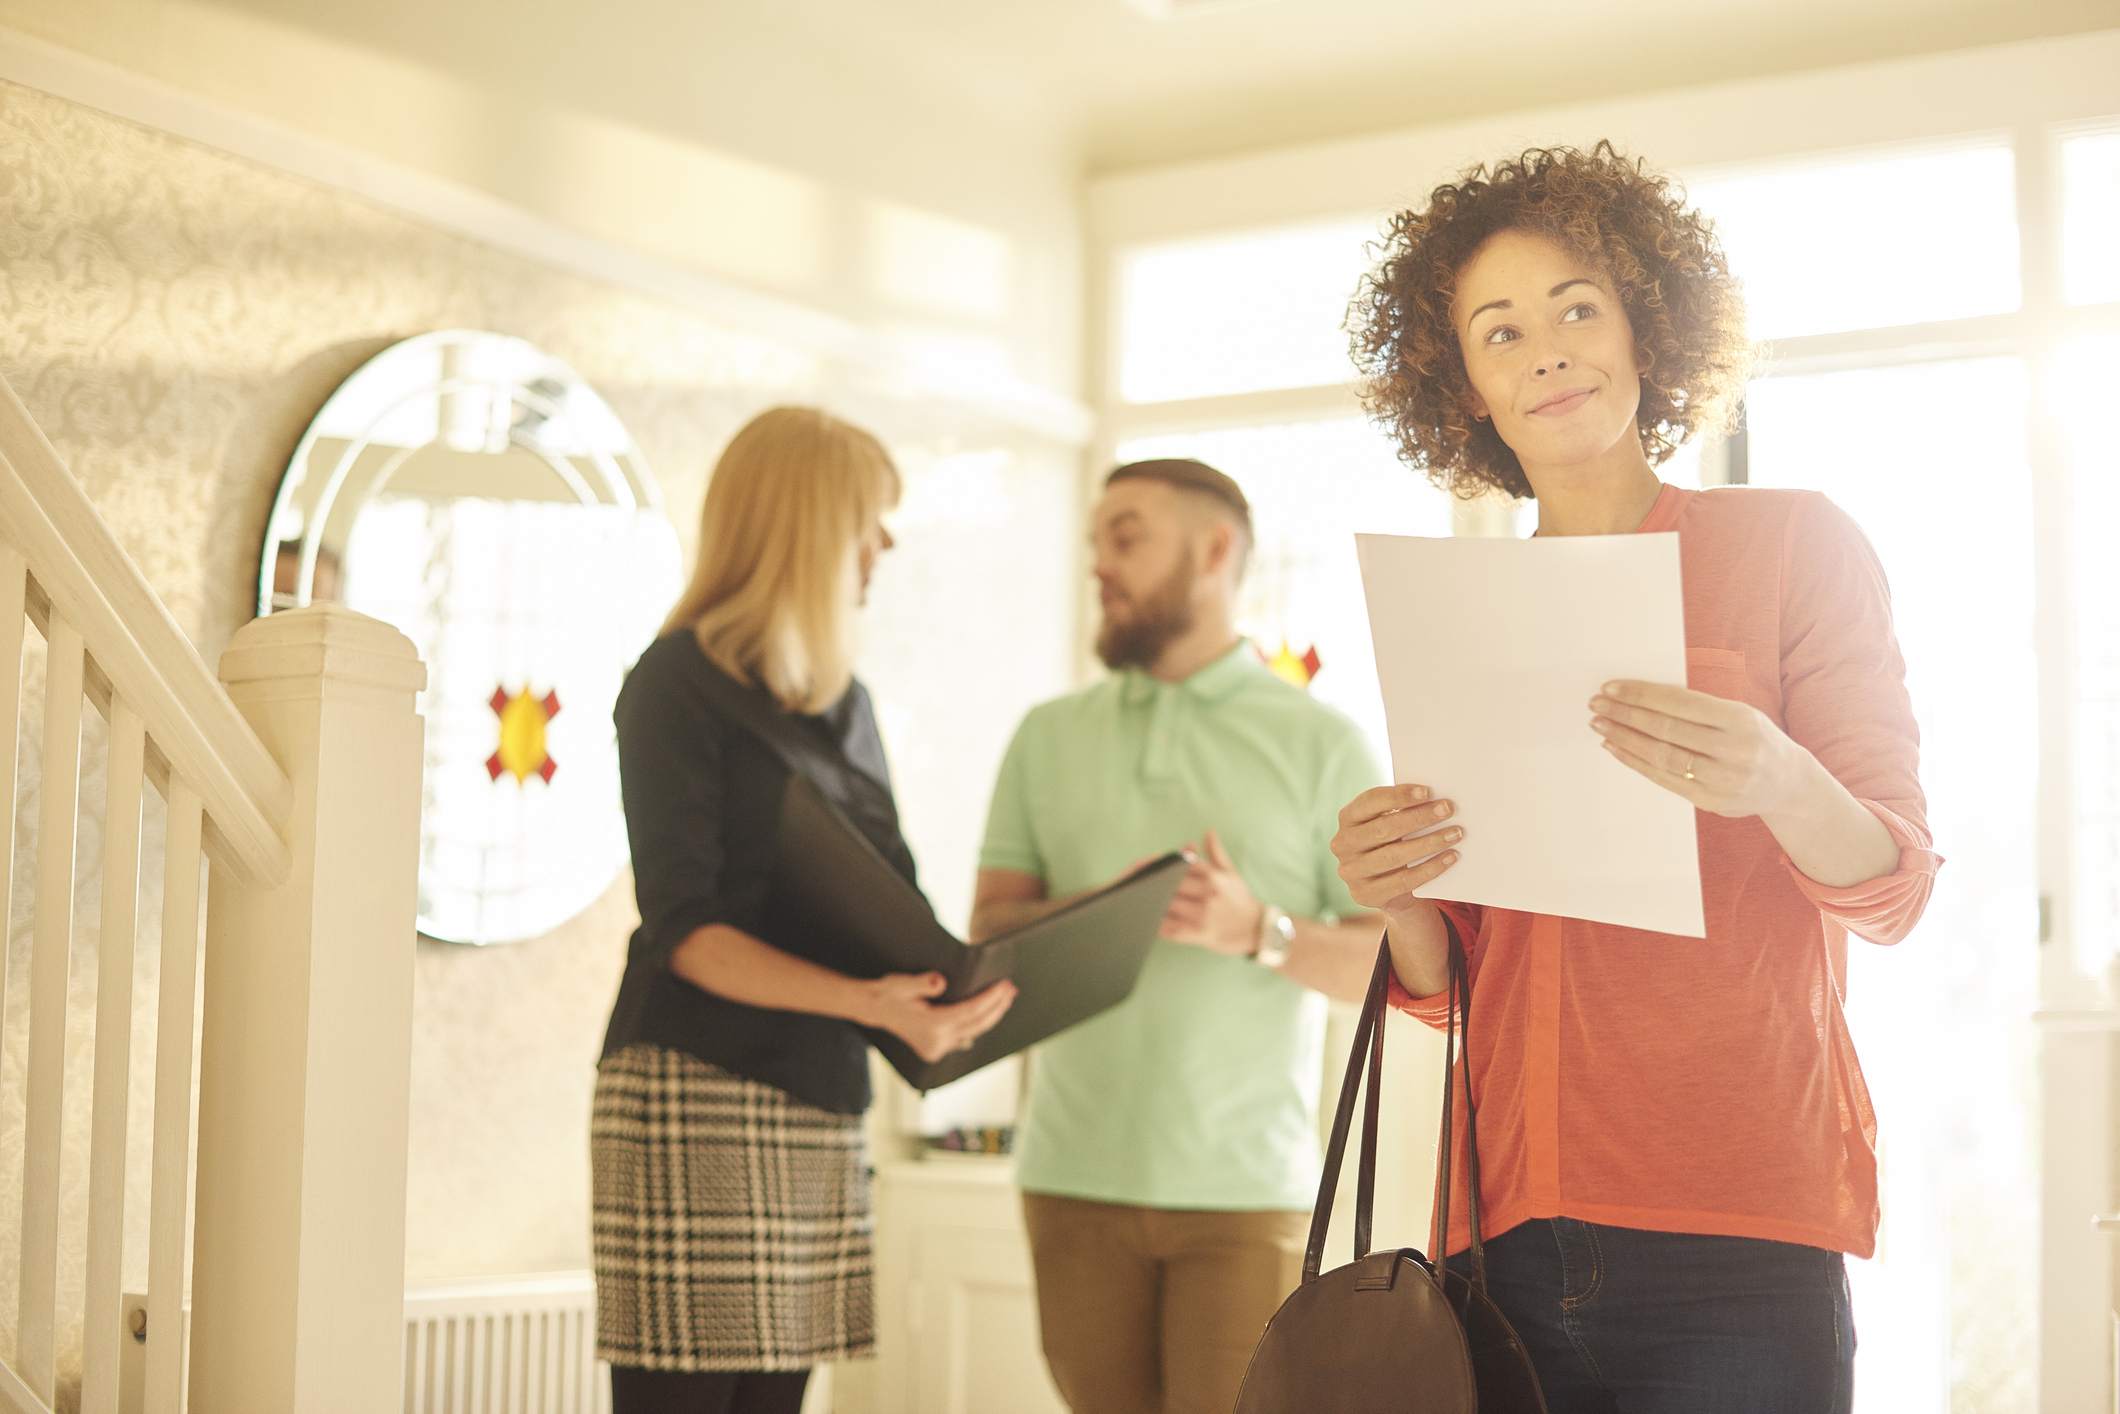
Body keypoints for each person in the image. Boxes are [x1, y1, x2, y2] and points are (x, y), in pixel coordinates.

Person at [1329, 143, 1940, 1414]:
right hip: (1497, 1232)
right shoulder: (1457, 613)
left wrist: (1775, 774)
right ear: (1467, 394)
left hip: (1738, 1222)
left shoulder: (1792, 546)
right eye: (1498, 332)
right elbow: (1451, 989)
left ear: (1644, 326)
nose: (1543, 348)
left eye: (1574, 307)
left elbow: (1892, 892)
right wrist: (1397, 897)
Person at [591, 406, 1017, 1414]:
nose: (886, 544)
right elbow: (685, 930)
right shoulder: (673, 684)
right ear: (808, 524)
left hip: (821, 1098)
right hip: (696, 1088)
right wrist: (874, 1004)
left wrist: (948, 988)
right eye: (871, 518)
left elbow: (887, 902)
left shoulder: (846, 704)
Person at [971, 457, 1388, 1414]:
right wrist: (1101, 910)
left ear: (1214, 551)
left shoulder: (1323, 742)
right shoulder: (1047, 734)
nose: (1098, 567)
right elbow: (988, 930)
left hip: (1245, 1198)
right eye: (1094, 544)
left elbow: (1396, 962)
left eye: (1125, 538)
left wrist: (1263, 932)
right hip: (1070, 1180)